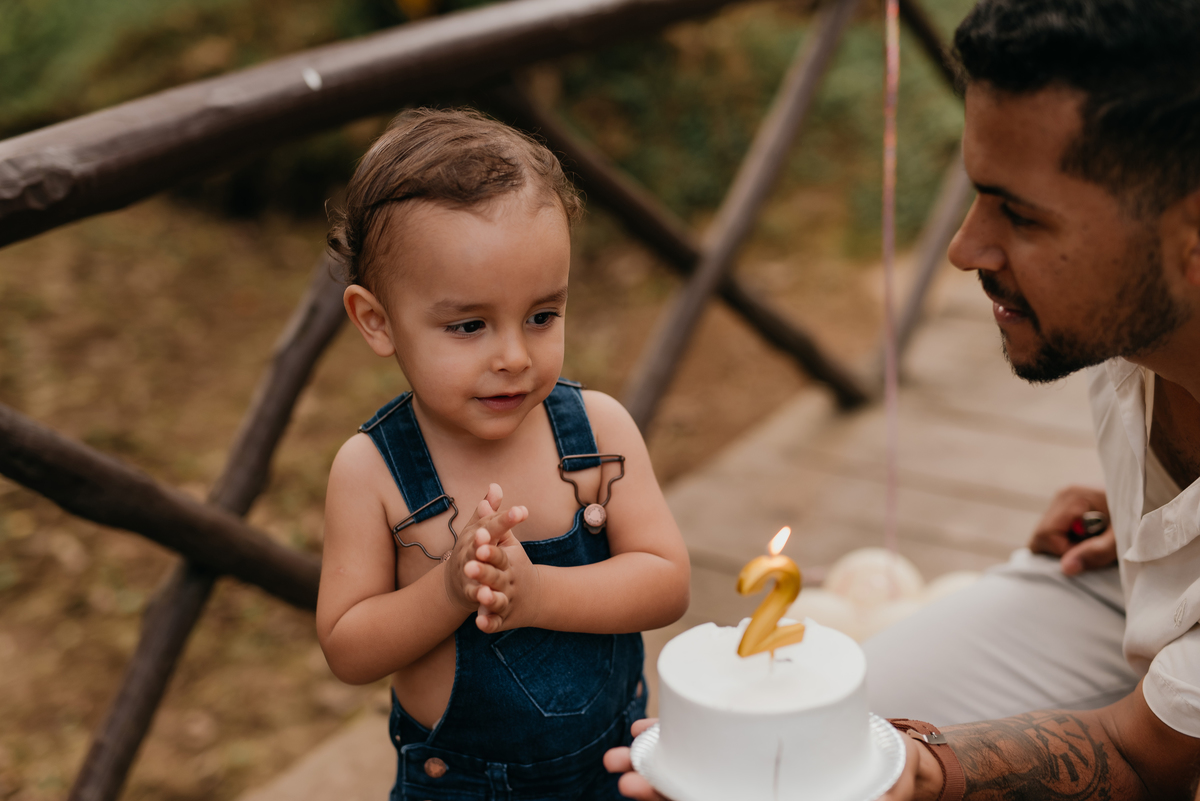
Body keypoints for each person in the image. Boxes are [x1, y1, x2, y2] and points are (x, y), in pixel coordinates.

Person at [605, 0, 1200, 798]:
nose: (964, 248)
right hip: (1128, 594)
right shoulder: (1136, 310)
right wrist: (1156, 523)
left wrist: (920, 768)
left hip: (1163, 734)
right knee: (809, 725)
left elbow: (1144, 755)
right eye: (979, 193)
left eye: (1018, 214)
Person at [315, 108, 690, 800]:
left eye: (542, 316)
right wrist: (449, 588)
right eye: (469, 325)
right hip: (460, 785)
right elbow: (348, 644)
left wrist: (539, 592)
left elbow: (666, 579)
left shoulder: (597, 433)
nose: (515, 356)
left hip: (615, 766)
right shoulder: (372, 472)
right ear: (377, 320)